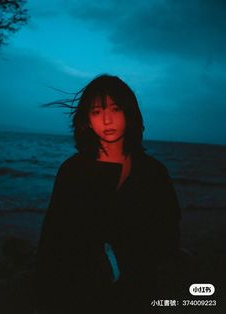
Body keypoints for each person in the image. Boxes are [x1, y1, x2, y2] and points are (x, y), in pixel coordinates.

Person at [33, 74, 181, 314]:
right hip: (81, 294)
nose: (107, 119)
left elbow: (169, 228)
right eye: (97, 112)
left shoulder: (153, 171)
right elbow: (52, 239)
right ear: (87, 120)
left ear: (129, 113)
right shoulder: (72, 171)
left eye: (115, 108)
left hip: (139, 292)